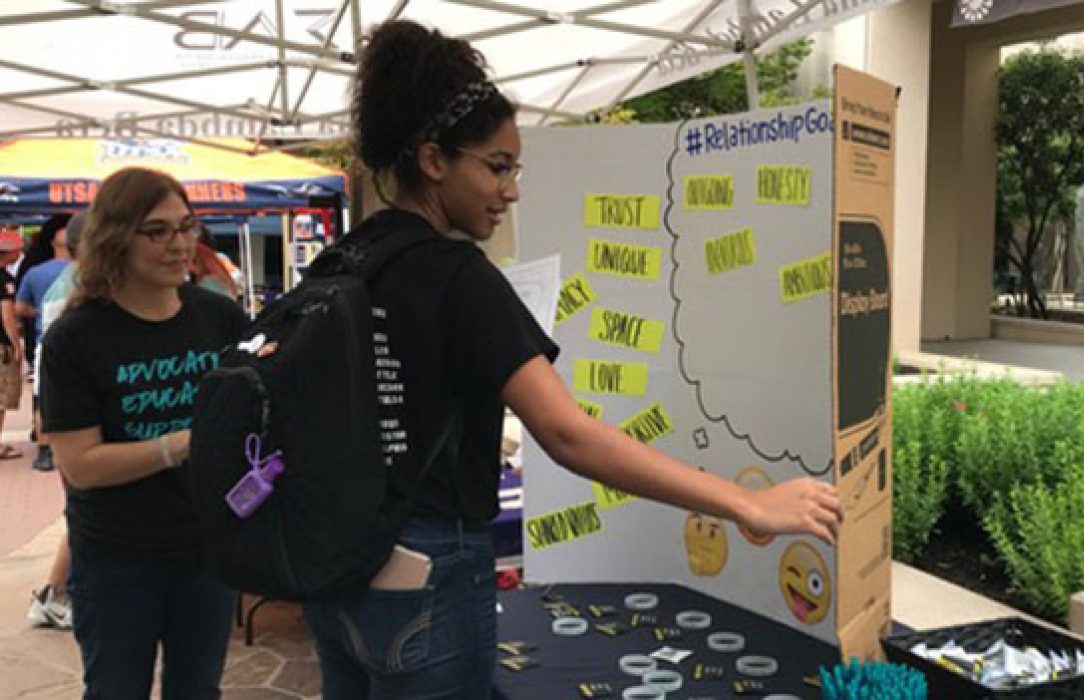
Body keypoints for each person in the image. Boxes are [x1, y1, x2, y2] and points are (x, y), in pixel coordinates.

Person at [300, 20, 842, 699]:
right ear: (434, 160)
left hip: (337, 565)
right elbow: (566, 433)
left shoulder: (338, 262)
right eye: (497, 166)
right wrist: (747, 504)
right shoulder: (456, 277)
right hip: (429, 575)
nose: (513, 189)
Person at [40, 168, 247, 698]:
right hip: (116, 559)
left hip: (206, 550)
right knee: (115, 690)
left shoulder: (220, 317)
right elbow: (81, 464)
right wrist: (180, 444)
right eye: (158, 231)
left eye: (187, 227)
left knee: (199, 690)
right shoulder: (76, 338)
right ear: (116, 239)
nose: (180, 245)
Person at [24, 211, 88, 631]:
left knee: (79, 510)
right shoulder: (80, 290)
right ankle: (54, 593)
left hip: (58, 405)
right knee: (81, 511)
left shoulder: (66, 282)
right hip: (72, 415)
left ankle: (59, 591)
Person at [17, 216, 73, 472]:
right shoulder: (90, 270)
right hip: (84, 342)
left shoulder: (35, 272)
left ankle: (44, 452)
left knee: (44, 399)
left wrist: (39, 312)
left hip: (47, 341)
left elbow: (20, 307)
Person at [0, 230, 24, 461]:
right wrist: (16, 344)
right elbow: (7, 315)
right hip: (0, 346)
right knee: (1, 396)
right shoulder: (5, 280)